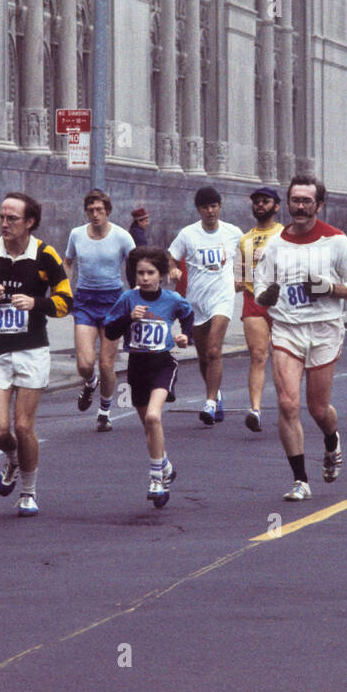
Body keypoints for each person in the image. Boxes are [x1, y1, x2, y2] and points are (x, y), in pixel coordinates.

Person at [253, 175, 347, 501]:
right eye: (295, 200)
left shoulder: (335, 241)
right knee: (288, 404)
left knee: (318, 408)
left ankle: (331, 439)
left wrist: (330, 288)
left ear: (318, 204)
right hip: (287, 329)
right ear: (286, 203)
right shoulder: (275, 244)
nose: (300, 207)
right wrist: (267, 296)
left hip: (324, 329)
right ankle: (300, 480)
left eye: (307, 201)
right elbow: (260, 289)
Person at [0, 193, 73, 517]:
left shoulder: (46, 255)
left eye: (12, 219)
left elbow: (66, 301)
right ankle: (10, 457)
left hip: (32, 349)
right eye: (2, 218)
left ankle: (28, 491)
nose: (4, 224)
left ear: (30, 222)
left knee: (23, 426)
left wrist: (35, 303)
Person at [103, 247, 194, 508]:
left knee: (154, 417)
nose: (144, 278)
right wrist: (127, 318)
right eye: (140, 273)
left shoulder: (172, 299)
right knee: (148, 427)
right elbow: (110, 331)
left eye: (150, 273)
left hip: (162, 363)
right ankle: (165, 465)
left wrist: (186, 336)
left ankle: (156, 477)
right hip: (137, 365)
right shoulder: (128, 300)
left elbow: (188, 317)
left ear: (161, 275)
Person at [168, 186, 243, 424]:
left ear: (220, 207)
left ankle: (209, 403)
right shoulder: (188, 234)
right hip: (196, 300)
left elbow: (247, 255)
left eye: (214, 206)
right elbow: (171, 256)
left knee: (213, 350)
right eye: (205, 207)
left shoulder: (233, 232)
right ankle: (216, 394)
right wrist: (173, 269)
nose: (210, 211)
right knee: (203, 357)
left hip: (222, 297)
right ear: (199, 209)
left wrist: (244, 279)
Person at [64, 189, 136, 431]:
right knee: (85, 364)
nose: (95, 215)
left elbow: (136, 264)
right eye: (91, 210)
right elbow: (68, 261)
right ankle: (90, 381)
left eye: (99, 210)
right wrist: (64, 289)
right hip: (85, 301)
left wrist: (136, 294)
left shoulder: (122, 236)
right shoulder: (76, 235)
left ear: (107, 212)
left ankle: (104, 411)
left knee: (107, 363)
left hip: (113, 303)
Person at [235, 185, 284, 432]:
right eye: (256, 202)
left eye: (265, 202)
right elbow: (239, 277)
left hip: (281, 299)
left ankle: (287, 405)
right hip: (253, 299)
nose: (260, 206)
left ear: (276, 206)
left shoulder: (285, 234)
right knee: (258, 355)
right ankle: (255, 409)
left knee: (283, 356)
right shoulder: (245, 239)